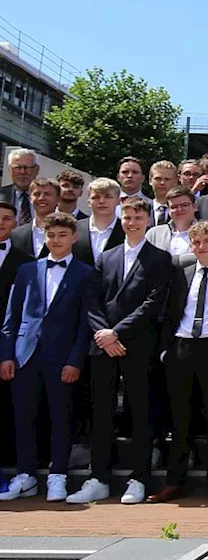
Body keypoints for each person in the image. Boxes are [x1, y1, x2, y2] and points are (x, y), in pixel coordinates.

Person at [70, 198, 173, 505]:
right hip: (103, 347)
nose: (131, 221)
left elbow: (153, 303)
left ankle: (139, 478)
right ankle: (98, 477)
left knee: (139, 413)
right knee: (101, 414)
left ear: (147, 220)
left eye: (137, 217)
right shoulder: (107, 256)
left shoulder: (160, 258)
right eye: (126, 217)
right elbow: (92, 301)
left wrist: (118, 332)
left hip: (138, 345)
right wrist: (104, 334)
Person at [145, 221, 208, 504]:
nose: (201, 247)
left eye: (206, 241)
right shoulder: (181, 273)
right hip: (182, 348)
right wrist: (166, 349)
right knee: (179, 419)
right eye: (196, 242)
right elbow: (169, 312)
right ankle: (175, 481)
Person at [0, 213, 94, 502]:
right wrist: (7, 355)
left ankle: (58, 475)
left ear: (73, 237)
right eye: (51, 235)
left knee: (60, 417)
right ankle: (26, 475)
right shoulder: (28, 269)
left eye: (62, 235)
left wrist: (75, 359)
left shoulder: (85, 273)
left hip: (62, 356)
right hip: (25, 354)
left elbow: (84, 323)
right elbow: (12, 316)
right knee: (23, 416)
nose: (56, 241)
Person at [0, 202, 33, 474]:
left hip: (7, 341)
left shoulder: (26, 262)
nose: (1, 223)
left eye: (7, 218)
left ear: (15, 224)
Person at [73, 178, 124, 266]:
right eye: (96, 197)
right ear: (89, 202)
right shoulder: (73, 228)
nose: (101, 201)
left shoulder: (127, 230)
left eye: (108, 197)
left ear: (118, 201)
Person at [145, 187, 200, 267]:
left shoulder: (206, 232)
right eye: (174, 207)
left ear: (195, 206)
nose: (179, 209)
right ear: (168, 210)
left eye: (184, 205)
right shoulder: (154, 233)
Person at [12, 177, 60, 258]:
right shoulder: (16, 234)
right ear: (30, 199)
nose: (41, 198)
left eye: (47, 194)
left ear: (58, 199)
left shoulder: (68, 232)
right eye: (37, 194)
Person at [1, 148, 39, 225]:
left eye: (27, 167)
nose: (22, 172)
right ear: (10, 171)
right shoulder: (1, 195)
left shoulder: (49, 199)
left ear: (37, 170)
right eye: (17, 168)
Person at [147, 161, 180, 225]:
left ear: (175, 181)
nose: (162, 183)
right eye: (158, 179)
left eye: (167, 179)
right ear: (150, 180)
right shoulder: (143, 208)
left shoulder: (181, 210)